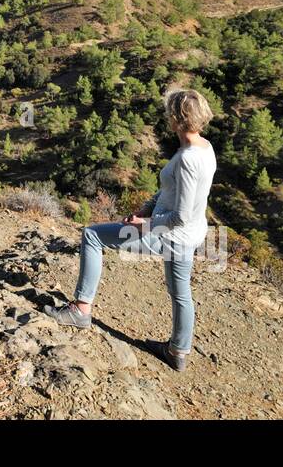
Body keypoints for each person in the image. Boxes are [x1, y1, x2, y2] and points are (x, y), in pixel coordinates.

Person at [45, 88, 216, 371]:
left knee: (92, 236)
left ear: (176, 118)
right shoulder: (204, 147)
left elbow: (180, 216)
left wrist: (145, 224)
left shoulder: (187, 159)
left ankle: (81, 310)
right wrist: (147, 207)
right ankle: (178, 351)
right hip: (190, 235)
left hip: (169, 234)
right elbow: (172, 193)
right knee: (181, 292)